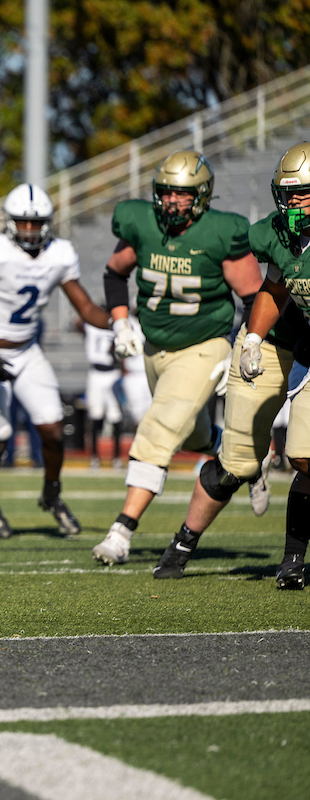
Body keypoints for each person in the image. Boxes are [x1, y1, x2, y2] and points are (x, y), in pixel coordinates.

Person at [93, 150, 262, 565]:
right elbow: (114, 272)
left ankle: (121, 531)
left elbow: (255, 297)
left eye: (182, 195)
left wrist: (240, 345)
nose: (171, 202)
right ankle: (245, 454)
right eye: (166, 192)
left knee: (160, 427)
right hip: (156, 348)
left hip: (204, 344)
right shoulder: (142, 224)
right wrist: (119, 322)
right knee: (193, 437)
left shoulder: (221, 232)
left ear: (203, 196)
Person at [158, 142, 310, 585]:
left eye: (305, 193)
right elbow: (275, 288)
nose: (294, 203)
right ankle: (184, 540)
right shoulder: (277, 234)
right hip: (276, 340)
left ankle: (292, 560)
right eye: (289, 193)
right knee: (239, 461)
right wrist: (253, 338)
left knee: (304, 455)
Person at [0, 184, 109, 539]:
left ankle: (52, 494)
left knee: (53, 429)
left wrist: (120, 320)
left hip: (26, 351)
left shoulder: (59, 255)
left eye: (35, 223)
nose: (28, 230)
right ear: (10, 223)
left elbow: (85, 308)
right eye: (22, 222)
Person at [82, 312, 122, 469]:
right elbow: (79, 321)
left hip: (113, 372)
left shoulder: (117, 327)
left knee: (116, 417)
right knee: (95, 416)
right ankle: (94, 457)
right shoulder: (92, 326)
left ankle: (116, 458)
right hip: (96, 374)